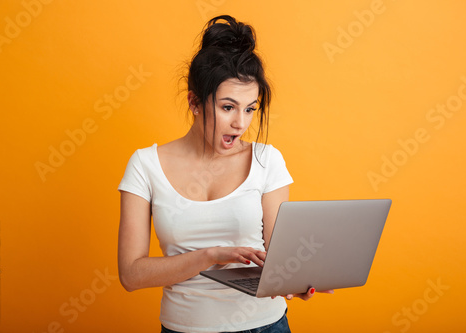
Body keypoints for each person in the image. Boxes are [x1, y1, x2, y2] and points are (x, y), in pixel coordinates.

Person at [117, 15, 331, 333]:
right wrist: (210, 255)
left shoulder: (267, 161)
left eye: (250, 108)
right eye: (228, 107)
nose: (240, 123)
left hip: (265, 325)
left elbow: (278, 258)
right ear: (195, 102)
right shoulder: (145, 165)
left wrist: (297, 280)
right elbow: (131, 274)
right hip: (185, 327)